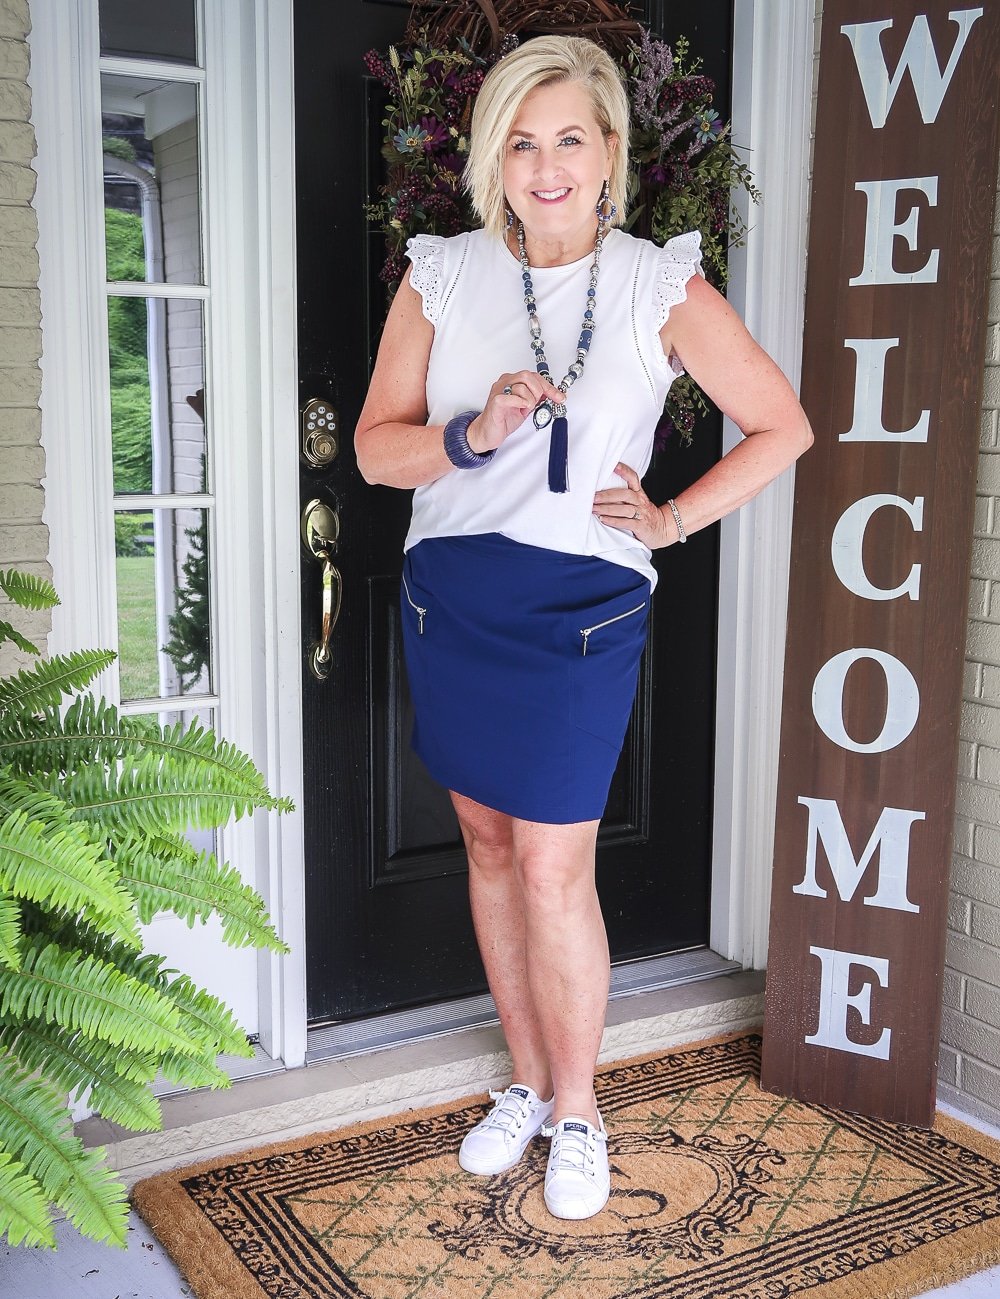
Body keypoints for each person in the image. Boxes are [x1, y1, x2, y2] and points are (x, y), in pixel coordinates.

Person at [355, 34, 812, 1222]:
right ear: (490, 158)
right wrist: (474, 435)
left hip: (581, 613)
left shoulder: (663, 287)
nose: (545, 165)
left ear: (609, 155)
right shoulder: (442, 276)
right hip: (451, 598)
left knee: (555, 866)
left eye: (568, 139)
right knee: (491, 850)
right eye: (520, 141)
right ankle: (522, 1082)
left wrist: (667, 522)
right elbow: (372, 449)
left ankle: (578, 1110)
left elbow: (781, 426)